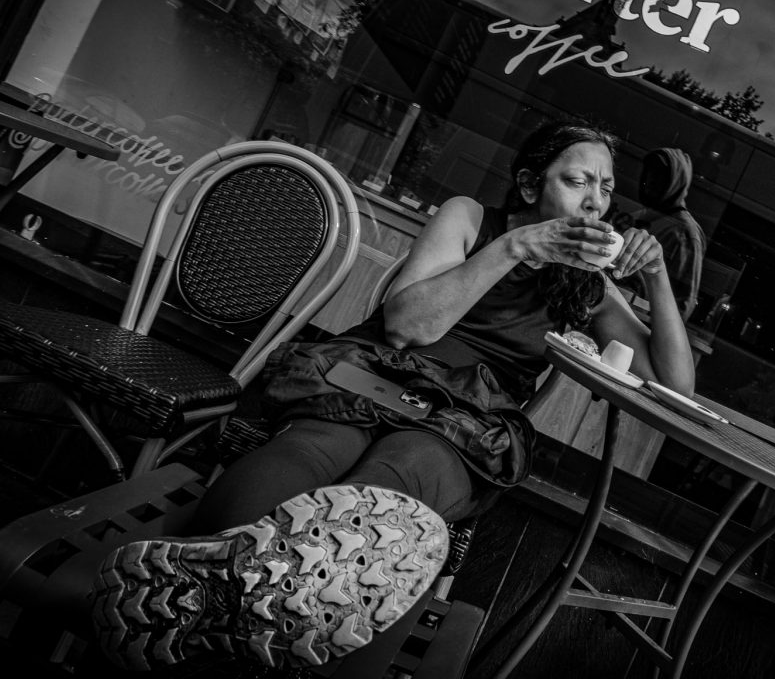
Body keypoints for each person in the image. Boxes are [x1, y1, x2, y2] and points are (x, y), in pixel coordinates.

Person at [89, 119, 695, 672]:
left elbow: (673, 386)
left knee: (394, 488)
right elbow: (409, 328)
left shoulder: (582, 280)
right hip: (380, 375)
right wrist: (514, 247)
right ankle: (242, 609)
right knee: (314, 449)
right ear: (531, 184)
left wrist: (657, 277)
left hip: (464, 423)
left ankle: (203, 593)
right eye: (577, 181)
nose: (595, 202)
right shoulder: (470, 219)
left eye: (607, 189)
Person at [620, 147, 706, 321]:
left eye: (660, 176)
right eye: (649, 173)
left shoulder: (685, 232)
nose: (650, 180)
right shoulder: (641, 216)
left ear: (676, 181)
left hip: (636, 325)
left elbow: (681, 305)